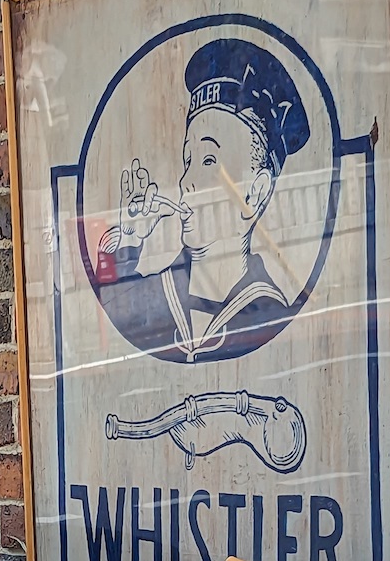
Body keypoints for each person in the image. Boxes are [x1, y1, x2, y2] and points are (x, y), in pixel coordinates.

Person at [96, 39, 311, 364]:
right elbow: (101, 319)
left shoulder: (272, 317)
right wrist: (128, 239)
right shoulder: (154, 297)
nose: (185, 183)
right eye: (187, 160)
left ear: (255, 192)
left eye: (209, 160)